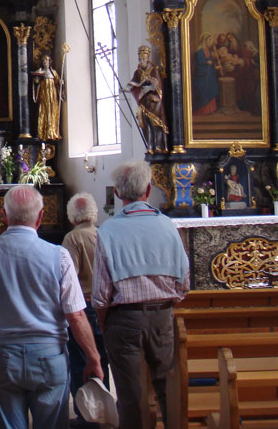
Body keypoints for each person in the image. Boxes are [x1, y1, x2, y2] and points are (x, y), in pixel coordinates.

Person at [0, 185, 104, 429]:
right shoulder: (58, 256)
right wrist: (93, 357)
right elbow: (76, 315)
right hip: (49, 353)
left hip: (3, 354)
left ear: (3, 215)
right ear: (41, 216)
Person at [92, 161, 190, 429]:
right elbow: (184, 283)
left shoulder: (109, 230)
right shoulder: (168, 226)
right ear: (148, 189)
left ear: (118, 194)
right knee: (168, 388)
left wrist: (103, 322)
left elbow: (101, 294)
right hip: (162, 316)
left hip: (123, 320)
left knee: (130, 394)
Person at [62, 192, 109, 429]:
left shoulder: (73, 239)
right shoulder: (104, 235)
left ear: (72, 215)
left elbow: (69, 278)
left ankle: (86, 417)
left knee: (82, 361)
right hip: (104, 306)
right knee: (102, 360)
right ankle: (104, 411)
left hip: (83, 307)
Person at [126, 45, 168, 153]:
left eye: (143, 59)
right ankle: (150, 146)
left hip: (154, 101)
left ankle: (158, 145)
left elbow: (158, 86)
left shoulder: (154, 70)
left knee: (156, 124)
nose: (141, 61)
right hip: (144, 102)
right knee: (146, 124)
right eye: (140, 59)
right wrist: (126, 88)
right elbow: (133, 84)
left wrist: (153, 92)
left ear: (147, 58)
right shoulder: (138, 72)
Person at [31, 53, 64, 141]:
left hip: (52, 96)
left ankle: (52, 131)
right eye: (44, 60)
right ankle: (43, 133)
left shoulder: (54, 72)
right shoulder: (39, 72)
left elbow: (58, 83)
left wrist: (60, 83)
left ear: (50, 62)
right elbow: (35, 84)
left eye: (47, 60)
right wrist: (37, 82)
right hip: (44, 96)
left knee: (53, 112)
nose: (45, 62)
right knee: (44, 112)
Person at [192, 32, 220, 115]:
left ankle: (210, 110)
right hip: (203, 76)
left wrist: (215, 67)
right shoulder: (199, 51)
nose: (210, 42)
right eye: (209, 40)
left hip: (209, 75)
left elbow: (211, 62)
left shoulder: (207, 50)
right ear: (205, 40)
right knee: (203, 91)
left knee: (210, 90)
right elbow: (199, 63)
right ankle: (202, 110)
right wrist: (206, 62)